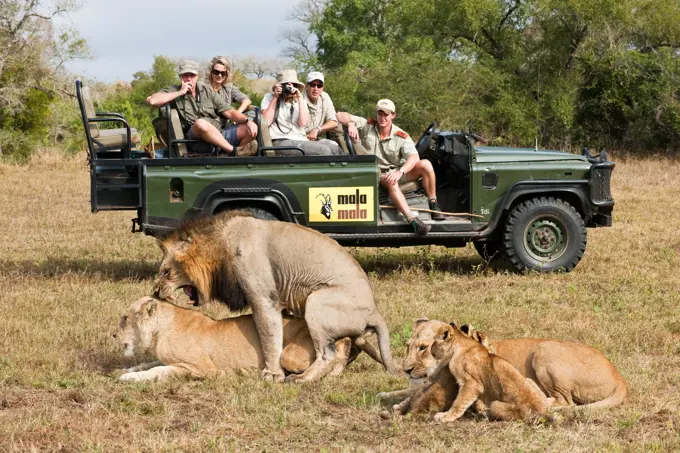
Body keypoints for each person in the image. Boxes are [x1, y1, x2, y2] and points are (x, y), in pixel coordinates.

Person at [336, 99, 446, 236]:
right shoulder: (367, 126)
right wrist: (351, 124)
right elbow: (339, 115)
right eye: (380, 114)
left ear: (393, 115)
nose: (382, 118)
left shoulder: (400, 135)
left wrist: (400, 172)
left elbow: (414, 157)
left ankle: (433, 202)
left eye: (386, 115)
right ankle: (413, 220)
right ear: (376, 114)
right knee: (391, 182)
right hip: (376, 174)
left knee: (426, 165)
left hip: (396, 171)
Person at [146, 60, 257, 156]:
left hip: (217, 134)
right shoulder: (174, 90)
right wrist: (180, 92)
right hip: (194, 141)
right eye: (185, 75)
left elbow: (230, 112)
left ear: (197, 76)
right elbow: (153, 100)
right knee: (200, 123)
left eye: (192, 75)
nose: (189, 79)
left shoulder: (206, 90)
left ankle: (230, 159)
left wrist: (248, 121)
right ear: (180, 77)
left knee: (249, 129)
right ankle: (233, 151)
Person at [260, 69, 342, 156]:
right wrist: (276, 97)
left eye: (293, 85)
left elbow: (303, 123)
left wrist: (299, 99)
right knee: (323, 150)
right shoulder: (269, 97)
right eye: (285, 85)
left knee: (336, 149)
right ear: (279, 86)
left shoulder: (298, 99)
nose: (289, 88)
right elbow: (266, 121)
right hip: (280, 140)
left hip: (300, 139)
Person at [303, 71, 342, 154]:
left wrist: (318, 129)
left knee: (335, 147)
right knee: (323, 150)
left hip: (315, 138)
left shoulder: (325, 96)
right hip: (299, 138)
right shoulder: (299, 98)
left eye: (319, 85)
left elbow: (334, 122)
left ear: (323, 87)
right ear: (306, 86)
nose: (316, 89)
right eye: (312, 85)